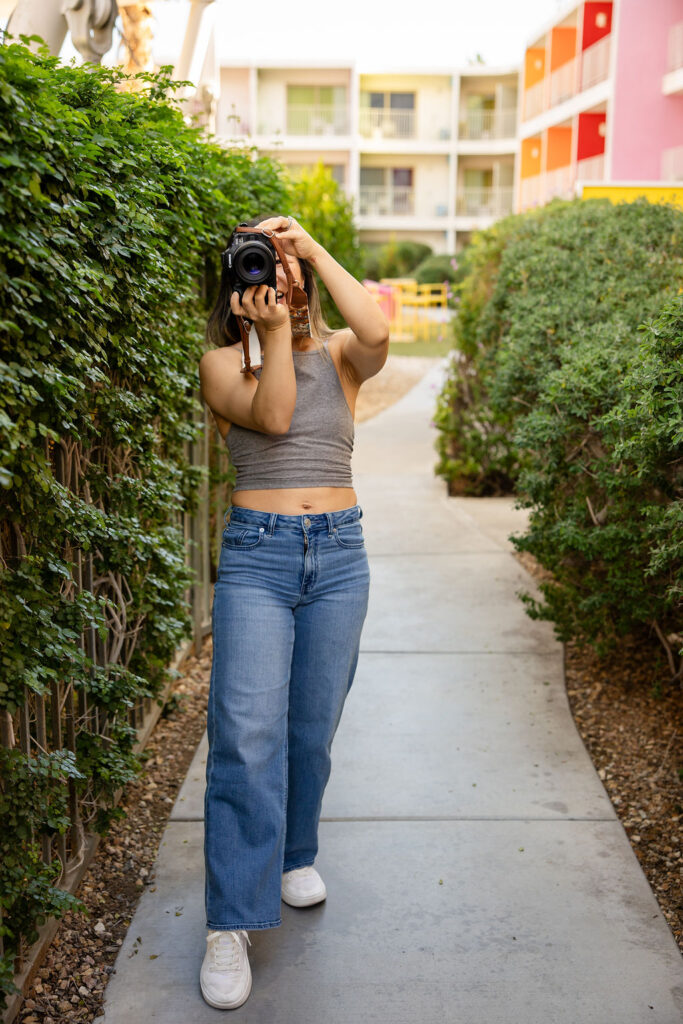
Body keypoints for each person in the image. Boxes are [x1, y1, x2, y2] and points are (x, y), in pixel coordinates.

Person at [197, 214, 390, 1009]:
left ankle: (290, 854)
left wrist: (308, 246)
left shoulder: (340, 358)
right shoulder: (218, 364)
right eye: (263, 267)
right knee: (245, 735)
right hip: (259, 558)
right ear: (240, 286)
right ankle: (230, 923)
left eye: (287, 269)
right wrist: (272, 335)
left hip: (340, 556)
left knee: (312, 726)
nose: (280, 282)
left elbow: (376, 329)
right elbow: (274, 416)